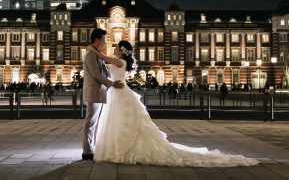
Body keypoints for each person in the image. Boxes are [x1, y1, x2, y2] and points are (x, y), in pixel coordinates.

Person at [86, 40, 257, 166]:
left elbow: (102, 57)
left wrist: (92, 49)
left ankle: (121, 147)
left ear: (122, 51)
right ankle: (119, 145)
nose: (114, 49)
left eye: (116, 47)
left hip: (120, 91)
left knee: (120, 119)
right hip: (118, 90)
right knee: (119, 119)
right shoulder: (121, 60)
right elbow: (104, 59)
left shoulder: (119, 61)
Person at [81, 29, 125, 160]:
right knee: (90, 122)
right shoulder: (90, 54)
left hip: (98, 91)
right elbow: (95, 74)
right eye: (103, 40)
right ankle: (87, 152)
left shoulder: (96, 53)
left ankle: (90, 149)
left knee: (93, 122)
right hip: (93, 91)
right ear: (96, 40)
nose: (104, 43)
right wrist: (112, 84)